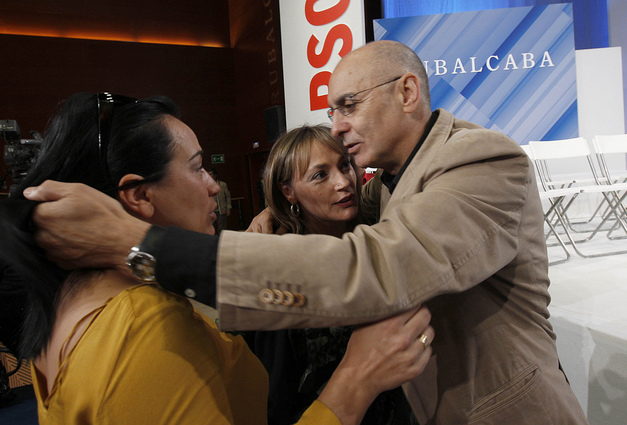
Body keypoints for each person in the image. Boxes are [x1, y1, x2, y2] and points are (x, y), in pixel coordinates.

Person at [23, 40, 588, 424]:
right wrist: (274, 220)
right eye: (332, 111)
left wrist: (145, 248)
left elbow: (378, 266)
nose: (336, 127)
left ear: (407, 92)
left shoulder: (481, 159)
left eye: (348, 106)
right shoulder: (383, 186)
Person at [0, 91, 434, 425]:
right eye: (197, 167)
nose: (212, 184)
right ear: (140, 196)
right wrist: (357, 379)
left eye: (344, 166)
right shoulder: (143, 327)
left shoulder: (64, 301)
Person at [252, 124, 415, 425]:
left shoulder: (381, 231)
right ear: (288, 191)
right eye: (320, 175)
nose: (343, 182)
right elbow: (277, 391)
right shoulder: (282, 271)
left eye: (344, 165)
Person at [209, 167, 232, 233]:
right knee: (211, 230)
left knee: (222, 230)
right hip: (211, 211)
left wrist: (228, 208)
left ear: (215, 175)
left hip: (221, 210)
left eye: (210, 174)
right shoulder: (206, 185)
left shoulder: (222, 185)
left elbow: (228, 196)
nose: (209, 176)